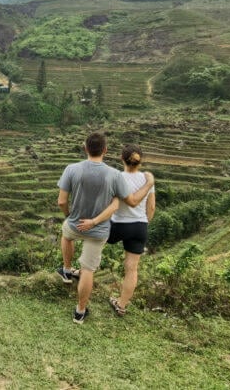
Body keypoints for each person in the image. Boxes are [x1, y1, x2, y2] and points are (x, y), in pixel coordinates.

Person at [56, 132, 154, 324]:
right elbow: (131, 204)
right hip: (112, 228)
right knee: (96, 269)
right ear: (105, 150)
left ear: (85, 148)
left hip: (90, 224)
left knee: (67, 234)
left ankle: (67, 270)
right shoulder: (116, 175)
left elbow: (61, 201)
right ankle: (83, 311)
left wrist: (70, 216)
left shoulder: (72, 169)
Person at [106, 144, 156, 317]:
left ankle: (81, 273)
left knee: (93, 242)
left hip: (118, 225)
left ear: (122, 158)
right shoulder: (147, 179)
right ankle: (121, 305)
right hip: (139, 226)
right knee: (132, 268)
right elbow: (151, 207)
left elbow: (109, 203)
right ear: (140, 162)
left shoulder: (117, 177)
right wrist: (144, 224)